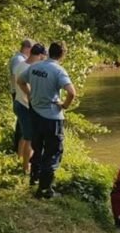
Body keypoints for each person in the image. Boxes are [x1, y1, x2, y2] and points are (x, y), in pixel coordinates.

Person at [17, 41, 76, 198]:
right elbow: (71, 92)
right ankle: (45, 189)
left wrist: (30, 95)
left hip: (35, 114)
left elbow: (20, 81)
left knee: (37, 147)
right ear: (63, 54)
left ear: (49, 52)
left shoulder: (36, 66)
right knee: (53, 152)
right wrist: (64, 105)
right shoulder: (58, 71)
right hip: (52, 117)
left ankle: (34, 178)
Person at [13, 43, 47, 174]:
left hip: (18, 103)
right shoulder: (31, 69)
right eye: (43, 57)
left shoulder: (21, 64)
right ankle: (26, 168)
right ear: (39, 55)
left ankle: (19, 158)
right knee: (30, 139)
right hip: (25, 106)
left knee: (24, 134)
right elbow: (28, 88)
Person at [8, 39, 33, 153]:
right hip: (18, 92)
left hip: (19, 91)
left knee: (22, 121)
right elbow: (18, 76)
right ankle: (19, 150)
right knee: (23, 122)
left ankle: (19, 150)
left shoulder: (20, 58)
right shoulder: (19, 59)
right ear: (27, 48)